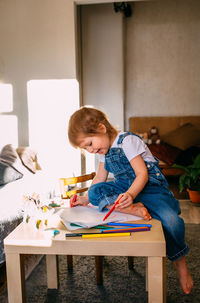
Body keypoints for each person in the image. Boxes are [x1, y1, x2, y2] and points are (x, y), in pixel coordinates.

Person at [68, 106, 193, 295]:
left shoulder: (128, 141)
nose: (91, 150)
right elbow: (100, 179)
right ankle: (133, 210)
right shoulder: (103, 152)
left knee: (172, 221)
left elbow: (142, 174)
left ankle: (180, 265)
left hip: (150, 189)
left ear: (101, 128)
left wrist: (131, 195)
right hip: (128, 193)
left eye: (89, 144)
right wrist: (86, 198)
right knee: (95, 191)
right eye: (86, 148)